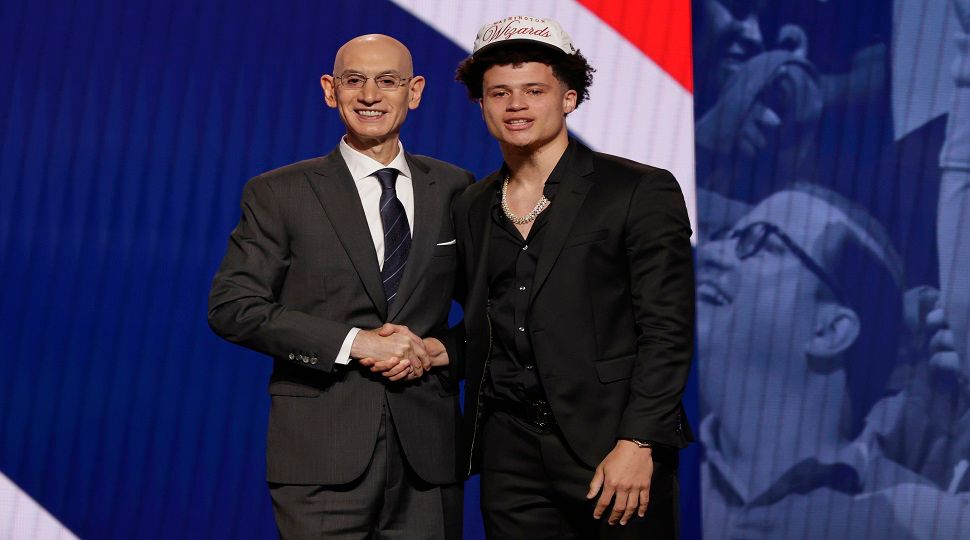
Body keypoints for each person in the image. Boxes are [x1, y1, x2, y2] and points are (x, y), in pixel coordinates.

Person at [207, 34, 471, 539]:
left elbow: (496, 312)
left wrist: (436, 351)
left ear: (414, 91)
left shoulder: (458, 188)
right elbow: (234, 307)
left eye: (388, 81)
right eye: (355, 80)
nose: (370, 94)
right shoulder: (279, 192)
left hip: (429, 453)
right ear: (331, 90)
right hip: (319, 456)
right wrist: (356, 343)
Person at [451, 16, 695, 538]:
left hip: (612, 445)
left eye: (534, 90)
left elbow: (667, 330)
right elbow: (487, 320)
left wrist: (639, 442)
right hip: (508, 451)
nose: (516, 105)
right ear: (482, 105)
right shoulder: (471, 204)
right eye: (500, 93)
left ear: (569, 98)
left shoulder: (636, 189)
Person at [694, 185, 970, 538]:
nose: (713, 253)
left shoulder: (925, 523)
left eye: (760, 242)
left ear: (830, 330)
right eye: (723, 237)